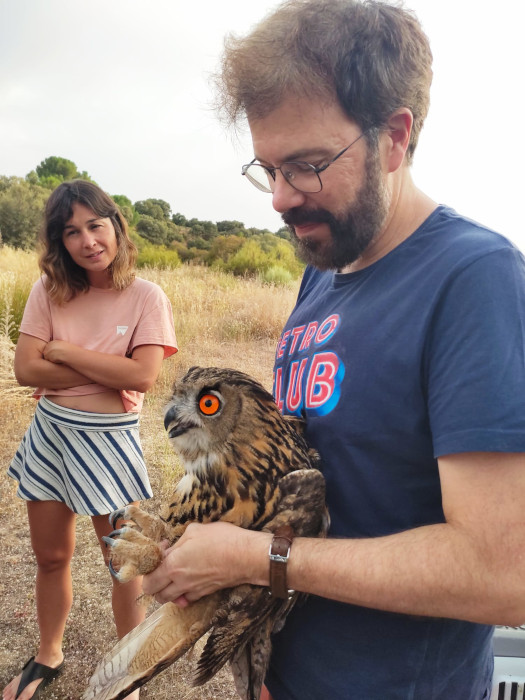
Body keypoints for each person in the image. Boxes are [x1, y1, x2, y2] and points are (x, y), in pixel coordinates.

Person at [141, 1, 525, 698]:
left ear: (394, 136)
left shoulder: (473, 280)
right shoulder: (322, 274)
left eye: (308, 165)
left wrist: (260, 560)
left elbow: (505, 576)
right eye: (268, 169)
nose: (281, 199)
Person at [3, 180, 177, 700]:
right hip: (51, 435)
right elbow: (23, 368)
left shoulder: (147, 296)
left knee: (123, 566)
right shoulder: (48, 291)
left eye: (95, 225)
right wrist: (106, 371)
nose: (87, 241)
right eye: (71, 231)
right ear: (60, 242)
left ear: (116, 226)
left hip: (109, 443)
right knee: (51, 556)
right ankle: (48, 654)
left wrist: (65, 353)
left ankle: (129, 671)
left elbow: (143, 376)